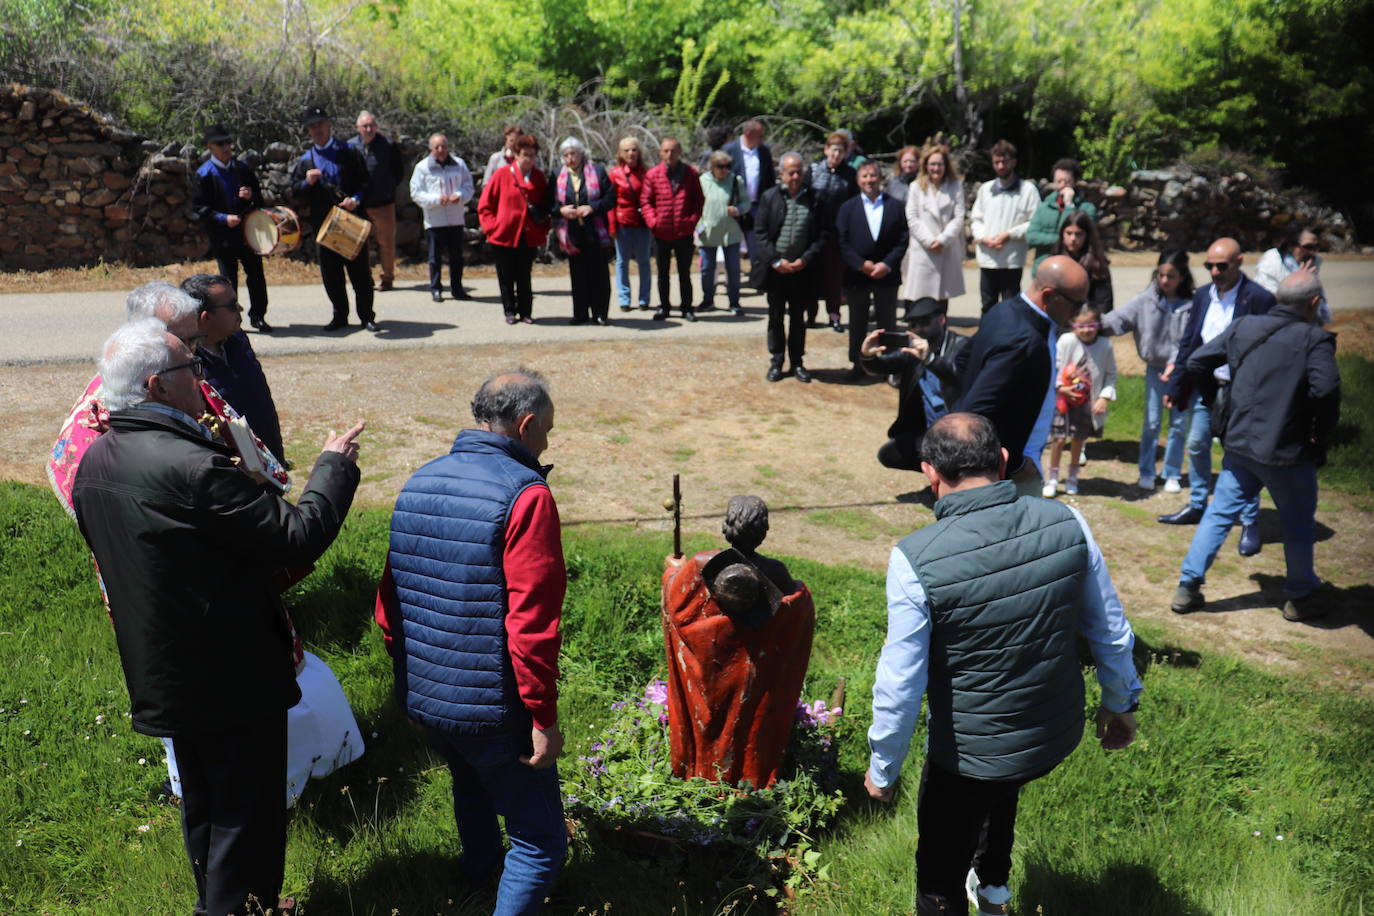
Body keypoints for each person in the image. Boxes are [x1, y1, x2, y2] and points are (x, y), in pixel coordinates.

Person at [72, 318, 363, 916]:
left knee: (206, 803)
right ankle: (232, 910)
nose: (200, 377)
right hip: (228, 672)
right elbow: (297, 536)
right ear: (157, 385)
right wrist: (333, 466)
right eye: (190, 368)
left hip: (167, 666)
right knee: (245, 812)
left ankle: (234, 902)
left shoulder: (98, 457)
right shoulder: (192, 467)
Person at [865, 412, 1142, 916]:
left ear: (929, 472)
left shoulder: (913, 558)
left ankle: (968, 891)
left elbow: (900, 684)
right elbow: (1110, 627)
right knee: (1003, 782)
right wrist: (1121, 702)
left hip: (969, 753)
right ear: (1004, 460)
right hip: (1046, 733)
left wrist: (883, 768)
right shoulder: (1068, 521)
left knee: (938, 878)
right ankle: (993, 888)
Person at [375, 369, 568, 914]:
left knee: (471, 787)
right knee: (540, 844)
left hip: (426, 696)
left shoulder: (422, 478)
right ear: (526, 424)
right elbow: (531, 626)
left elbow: (389, 602)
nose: (548, 443)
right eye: (547, 431)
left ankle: (479, 879)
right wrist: (542, 717)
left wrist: (411, 679)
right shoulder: (527, 497)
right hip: (493, 708)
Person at [1172, 272, 1340, 621]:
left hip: (1240, 444)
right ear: (1314, 303)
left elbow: (1197, 361)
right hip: (1288, 452)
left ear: (1279, 298)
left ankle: (1187, 586)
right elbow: (1325, 391)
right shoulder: (1314, 339)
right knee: (1297, 525)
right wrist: (1318, 436)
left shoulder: (1244, 327)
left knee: (1219, 513)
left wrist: (1214, 399)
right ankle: (1299, 597)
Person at [1158, 237, 1276, 558]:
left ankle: (1250, 520)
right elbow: (1189, 342)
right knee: (1196, 443)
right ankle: (1198, 503)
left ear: (1239, 262)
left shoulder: (1260, 299)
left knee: (1241, 455)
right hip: (1205, 386)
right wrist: (1175, 384)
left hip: (1243, 390)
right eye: (1208, 265)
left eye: (1221, 266)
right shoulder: (1201, 296)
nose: (1214, 271)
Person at [955, 256, 1090, 496]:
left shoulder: (1004, 309)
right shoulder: (1024, 342)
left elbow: (962, 359)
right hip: (1007, 474)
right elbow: (975, 412)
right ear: (1049, 296)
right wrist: (1016, 463)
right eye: (1075, 304)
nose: (1079, 312)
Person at [1102, 249, 1195, 491]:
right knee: (1152, 422)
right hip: (1155, 369)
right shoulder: (1145, 301)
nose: (1164, 281)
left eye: (1171, 276)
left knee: (1178, 423)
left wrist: (1177, 365)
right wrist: (1091, 323)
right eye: (1160, 275)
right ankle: (1147, 471)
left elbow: (1190, 339)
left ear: (1182, 277)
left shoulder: (1191, 305)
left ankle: (1172, 472)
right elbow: (1118, 319)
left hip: (1182, 372)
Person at [180, 273, 286, 466]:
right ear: (206, 318)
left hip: (269, 462)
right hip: (234, 477)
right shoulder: (186, 365)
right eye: (231, 305)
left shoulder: (238, 340)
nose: (240, 309)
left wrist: (276, 457)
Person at [290, 105, 377, 333]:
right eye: (312, 127)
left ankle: (367, 316)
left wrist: (356, 199)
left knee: (360, 273)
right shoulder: (305, 160)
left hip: (349, 221)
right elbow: (293, 193)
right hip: (323, 225)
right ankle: (340, 316)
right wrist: (306, 183)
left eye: (320, 124)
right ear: (308, 131)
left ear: (329, 125)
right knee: (331, 274)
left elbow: (366, 183)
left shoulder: (349, 151)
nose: (317, 129)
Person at [859, 297, 968, 471]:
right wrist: (867, 355)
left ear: (941, 320)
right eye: (913, 324)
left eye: (923, 322)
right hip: (930, 430)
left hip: (961, 429)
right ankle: (941, 474)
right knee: (890, 454)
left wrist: (930, 360)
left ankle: (952, 477)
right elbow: (882, 366)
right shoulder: (913, 351)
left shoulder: (962, 347)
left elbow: (959, 377)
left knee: (952, 453)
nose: (918, 329)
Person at [751, 152, 827, 383]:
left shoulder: (816, 199)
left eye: (799, 172)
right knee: (775, 317)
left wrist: (805, 259)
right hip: (776, 271)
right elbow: (760, 233)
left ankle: (797, 362)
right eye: (790, 172)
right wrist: (776, 260)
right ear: (781, 174)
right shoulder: (769, 197)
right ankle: (776, 361)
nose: (795, 176)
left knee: (798, 318)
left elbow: (823, 235)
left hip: (801, 271)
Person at [189, 123, 271, 331]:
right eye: (220, 143)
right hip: (222, 237)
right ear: (210, 147)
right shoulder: (204, 173)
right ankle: (232, 322)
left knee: (256, 276)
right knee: (227, 282)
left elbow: (260, 200)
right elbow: (198, 208)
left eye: (228, 142)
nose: (226, 147)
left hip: (247, 234)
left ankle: (258, 316)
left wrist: (251, 196)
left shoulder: (242, 169)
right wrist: (223, 218)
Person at [838, 161, 908, 379]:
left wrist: (886, 264)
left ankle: (889, 367)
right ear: (858, 181)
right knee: (857, 322)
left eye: (873, 176)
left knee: (887, 322)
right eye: (864, 176)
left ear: (880, 179)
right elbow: (842, 241)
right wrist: (860, 264)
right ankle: (858, 365)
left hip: (886, 273)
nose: (869, 180)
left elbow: (903, 239)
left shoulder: (895, 206)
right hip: (857, 275)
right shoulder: (848, 208)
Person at [1043, 302, 1117, 497]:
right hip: (1063, 402)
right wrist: (1061, 387)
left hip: (1087, 404)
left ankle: (1073, 477)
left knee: (1078, 440)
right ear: (1072, 324)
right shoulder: (1066, 341)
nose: (1086, 330)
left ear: (1098, 325)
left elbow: (1111, 375)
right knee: (1058, 439)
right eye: (1081, 325)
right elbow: (1055, 367)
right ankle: (1052, 477)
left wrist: (1104, 397)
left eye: (1091, 325)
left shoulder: (1105, 346)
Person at [477, 134, 551, 325]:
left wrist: (542, 228)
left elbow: (546, 206)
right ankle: (510, 311)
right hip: (504, 235)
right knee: (506, 275)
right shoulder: (502, 174)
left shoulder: (538, 177)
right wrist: (492, 228)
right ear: (516, 154)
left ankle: (526, 312)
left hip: (528, 235)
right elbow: (485, 205)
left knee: (524, 275)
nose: (529, 159)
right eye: (525, 155)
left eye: (532, 155)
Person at [969, 139, 1041, 313]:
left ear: (1013, 162)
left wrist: (1010, 234)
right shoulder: (985, 189)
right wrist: (984, 238)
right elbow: (976, 219)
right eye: (997, 162)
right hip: (988, 258)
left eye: (1004, 161)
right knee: (988, 304)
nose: (1001, 166)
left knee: (1011, 305)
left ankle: (1010, 339)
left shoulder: (1028, 190)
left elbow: (1036, 221)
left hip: (1011, 259)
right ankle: (988, 339)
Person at [641, 137, 705, 322]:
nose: (670, 154)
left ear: (680, 152)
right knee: (663, 273)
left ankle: (687, 308)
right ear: (660, 152)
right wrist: (653, 222)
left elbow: (698, 201)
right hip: (661, 232)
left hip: (683, 232)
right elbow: (645, 201)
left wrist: (691, 221)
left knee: (685, 273)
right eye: (666, 151)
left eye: (674, 151)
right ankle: (664, 307)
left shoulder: (690, 174)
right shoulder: (653, 174)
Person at [553, 137, 614, 325]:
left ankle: (600, 313)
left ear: (581, 154)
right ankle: (580, 313)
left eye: (573, 153)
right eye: (566, 155)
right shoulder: (557, 175)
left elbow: (610, 198)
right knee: (578, 275)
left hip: (595, 231)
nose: (570, 158)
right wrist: (562, 210)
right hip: (572, 233)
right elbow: (551, 204)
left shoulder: (597, 171)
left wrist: (593, 207)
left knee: (599, 275)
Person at [409, 133, 475, 303]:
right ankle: (436, 288)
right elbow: (416, 193)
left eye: (443, 146)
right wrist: (436, 200)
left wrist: (459, 195)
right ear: (431, 149)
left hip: (455, 218)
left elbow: (468, 186)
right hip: (434, 219)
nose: (441, 150)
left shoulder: (459, 164)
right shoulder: (422, 167)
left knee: (456, 256)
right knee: (435, 257)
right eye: (437, 147)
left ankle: (457, 288)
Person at [901, 144, 966, 313]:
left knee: (941, 299)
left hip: (946, 247)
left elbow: (958, 217)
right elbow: (912, 217)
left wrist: (943, 240)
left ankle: (940, 333)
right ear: (926, 165)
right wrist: (929, 241)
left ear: (946, 166)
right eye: (932, 164)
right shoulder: (916, 187)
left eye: (940, 164)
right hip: (923, 249)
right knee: (920, 297)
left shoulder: (955, 186)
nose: (936, 168)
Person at [806, 131, 859, 331]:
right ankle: (810, 314)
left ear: (845, 153)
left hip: (837, 233)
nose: (836, 155)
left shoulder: (850, 175)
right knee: (812, 273)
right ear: (826, 150)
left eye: (840, 151)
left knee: (834, 277)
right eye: (833, 150)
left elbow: (854, 204)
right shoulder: (814, 170)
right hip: (815, 232)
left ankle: (834, 314)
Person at [349, 111, 404, 293]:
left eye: (372, 125)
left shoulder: (387, 146)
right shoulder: (350, 146)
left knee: (386, 244)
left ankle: (387, 278)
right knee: (360, 245)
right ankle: (365, 278)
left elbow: (398, 173)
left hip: (383, 204)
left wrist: (386, 189)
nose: (369, 129)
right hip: (359, 206)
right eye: (365, 126)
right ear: (358, 128)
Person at [697, 150, 750, 314]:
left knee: (733, 269)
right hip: (708, 232)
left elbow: (746, 202)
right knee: (707, 269)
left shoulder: (735, 180)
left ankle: (734, 302)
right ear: (712, 166)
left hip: (731, 232)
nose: (724, 170)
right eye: (720, 166)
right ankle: (707, 301)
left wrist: (738, 209)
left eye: (727, 166)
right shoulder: (702, 181)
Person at [608, 136, 653, 312]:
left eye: (634, 149)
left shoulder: (646, 173)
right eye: (626, 150)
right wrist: (612, 226)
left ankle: (644, 299)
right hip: (623, 223)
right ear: (620, 153)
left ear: (639, 152)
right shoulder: (615, 174)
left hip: (642, 224)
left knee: (644, 261)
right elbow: (611, 203)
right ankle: (624, 298)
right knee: (622, 262)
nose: (631, 153)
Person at [1027, 157, 1098, 267]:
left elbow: (1089, 238)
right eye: (1058, 181)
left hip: (1075, 268)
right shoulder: (1044, 207)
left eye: (1067, 181)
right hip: (1045, 269)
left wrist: (1069, 204)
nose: (1062, 185)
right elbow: (1031, 236)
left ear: (1075, 182)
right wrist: (1062, 239)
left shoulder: (1087, 209)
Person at [1256, 225, 1330, 324]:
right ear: (1291, 245)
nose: (1312, 252)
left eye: (1316, 247)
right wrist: (1299, 281)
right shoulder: (1272, 262)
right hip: (1275, 323)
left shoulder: (1313, 261)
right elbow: (1270, 301)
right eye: (1308, 247)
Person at [723, 119, 775, 256]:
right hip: (735, 207)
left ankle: (755, 275)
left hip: (757, 206)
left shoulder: (764, 151)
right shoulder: (729, 150)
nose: (762, 139)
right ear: (747, 134)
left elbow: (770, 179)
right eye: (759, 136)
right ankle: (734, 275)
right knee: (733, 248)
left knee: (756, 246)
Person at [1049, 209, 1113, 312]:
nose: (1073, 238)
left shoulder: (1096, 264)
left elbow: (1104, 303)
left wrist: (1093, 324)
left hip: (1087, 322)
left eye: (1078, 234)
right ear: (1062, 234)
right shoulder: (1053, 262)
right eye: (1069, 233)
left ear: (1087, 236)